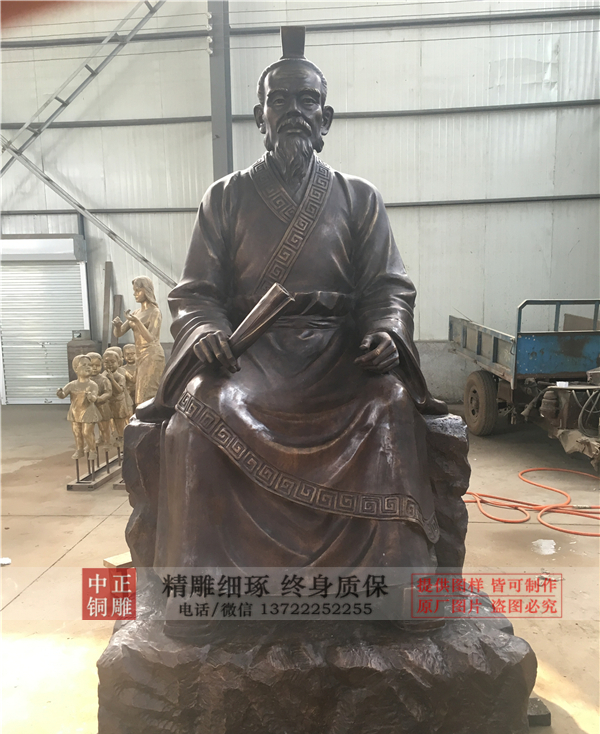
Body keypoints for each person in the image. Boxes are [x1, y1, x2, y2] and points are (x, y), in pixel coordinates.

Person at [134, 27, 447, 576]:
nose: (294, 112)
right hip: (250, 355)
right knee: (198, 413)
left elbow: (388, 288)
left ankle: (389, 578)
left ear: (326, 119)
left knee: (390, 403)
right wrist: (206, 332)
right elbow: (197, 293)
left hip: (338, 357)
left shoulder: (359, 198)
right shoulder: (225, 197)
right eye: (279, 100)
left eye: (308, 100)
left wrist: (386, 331)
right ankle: (205, 583)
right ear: (260, 117)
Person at [113, 276, 165, 405]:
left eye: (138, 290)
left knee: (147, 393)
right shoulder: (136, 313)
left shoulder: (155, 312)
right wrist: (117, 326)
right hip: (140, 355)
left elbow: (151, 338)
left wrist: (137, 322)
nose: (134, 294)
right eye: (134, 291)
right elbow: (119, 333)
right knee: (140, 393)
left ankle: (151, 416)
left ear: (147, 290)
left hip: (152, 355)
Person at [57, 355, 101, 460]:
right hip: (75, 412)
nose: (88, 367)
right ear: (76, 368)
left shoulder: (92, 384)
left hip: (88, 411)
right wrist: (59, 393)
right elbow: (63, 395)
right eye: (84, 365)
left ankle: (93, 450)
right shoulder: (72, 384)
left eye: (89, 365)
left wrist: (91, 397)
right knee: (77, 433)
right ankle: (79, 450)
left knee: (87, 432)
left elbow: (95, 397)